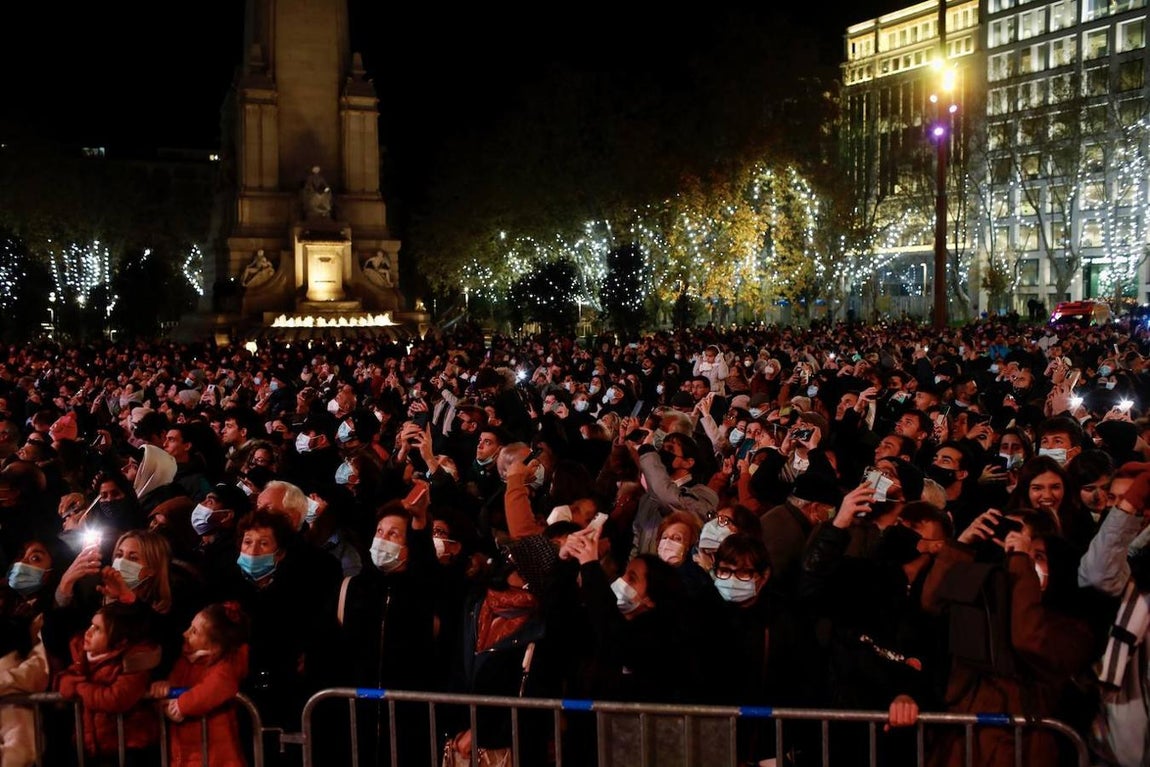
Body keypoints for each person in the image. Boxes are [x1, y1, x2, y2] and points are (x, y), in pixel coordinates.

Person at [53, 602, 161, 765]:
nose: (88, 632)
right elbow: (65, 678)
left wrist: (78, 687)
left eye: (97, 629)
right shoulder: (83, 658)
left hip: (129, 748)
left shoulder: (132, 663)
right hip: (92, 747)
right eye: (91, 625)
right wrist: (65, 681)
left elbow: (116, 698)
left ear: (119, 640)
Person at [150, 601, 251, 767]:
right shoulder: (185, 662)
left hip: (217, 758)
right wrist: (161, 692)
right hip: (185, 755)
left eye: (194, 631)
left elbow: (215, 687)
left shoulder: (226, 666)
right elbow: (171, 692)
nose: (185, 633)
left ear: (215, 646)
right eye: (189, 627)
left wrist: (181, 705)